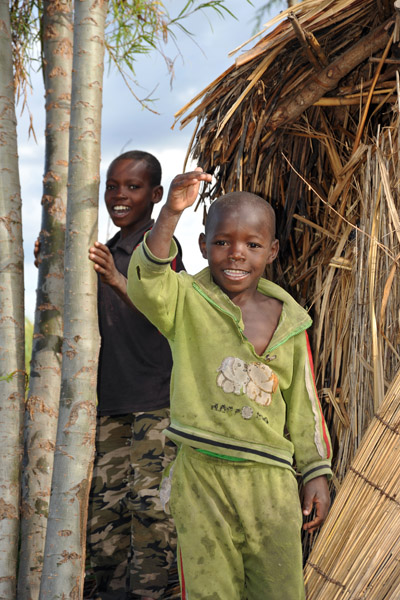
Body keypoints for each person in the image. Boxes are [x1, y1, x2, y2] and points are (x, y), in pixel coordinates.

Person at [126, 168, 332, 600]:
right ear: (203, 246)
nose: (236, 254)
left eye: (252, 245)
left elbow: (304, 405)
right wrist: (170, 214)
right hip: (202, 473)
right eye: (222, 242)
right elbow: (146, 286)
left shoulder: (290, 322)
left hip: (271, 483)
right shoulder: (185, 300)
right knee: (209, 589)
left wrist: (316, 470)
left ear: (271, 251)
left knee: (279, 589)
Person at [87, 151, 183, 600]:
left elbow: (167, 313)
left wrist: (117, 282)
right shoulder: (105, 250)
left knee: (151, 515)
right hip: (107, 406)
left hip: (156, 404)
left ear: (156, 195)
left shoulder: (159, 251)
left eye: (133, 187)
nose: (120, 195)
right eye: (113, 186)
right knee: (102, 516)